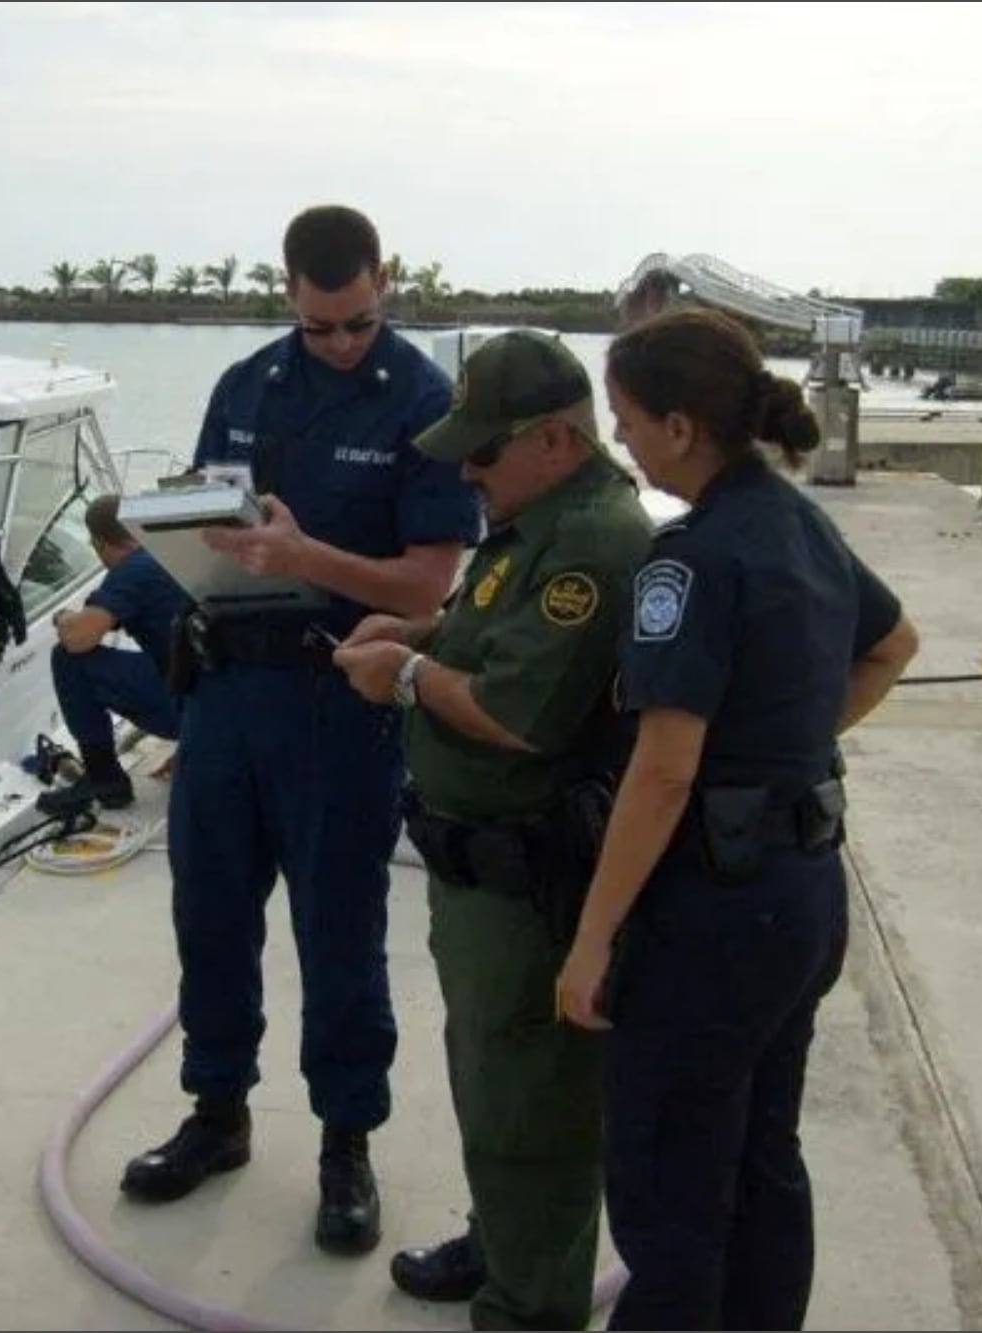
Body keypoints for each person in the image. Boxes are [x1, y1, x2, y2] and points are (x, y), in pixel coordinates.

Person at [117, 204, 480, 1259]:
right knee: (211, 917)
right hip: (226, 695)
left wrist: (303, 557)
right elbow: (196, 519)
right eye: (320, 325)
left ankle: (344, 1142)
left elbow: (427, 580)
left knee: (338, 934)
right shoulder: (242, 387)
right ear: (287, 293)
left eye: (357, 322)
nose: (338, 343)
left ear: (384, 283)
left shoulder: (423, 403)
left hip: (339, 702)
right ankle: (216, 1111)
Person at [555, 307, 921, 1330]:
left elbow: (662, 772)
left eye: (626, 420)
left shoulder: (689, 559)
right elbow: (891, 646)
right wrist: (790, 747)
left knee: (670, 1179)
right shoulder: (799, 521)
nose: (621, 441)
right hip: (800, 897)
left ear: (679, 426)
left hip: (711, 914)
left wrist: (590, 940)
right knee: (761, 1159)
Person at [331, 330, 654, 1328]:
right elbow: (493, 628)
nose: (464, 470)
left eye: (482, 450)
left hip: (527, 887)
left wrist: (406, 676)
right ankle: (505, 1243)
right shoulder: (532, 520)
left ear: (553, 438)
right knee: (491, 1083)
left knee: (530, 1108)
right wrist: (421, 632)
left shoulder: (590, 540)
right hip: (475, 876)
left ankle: (527, 1305)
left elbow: (520, 713)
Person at [36, 493, 190, 815]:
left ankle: (104, 778)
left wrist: (62, 617)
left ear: (99, 542)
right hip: (220, 706)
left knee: (68, 659)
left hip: (186, 708)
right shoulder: (172, 553)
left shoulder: (133, 570)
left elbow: (78, 639)